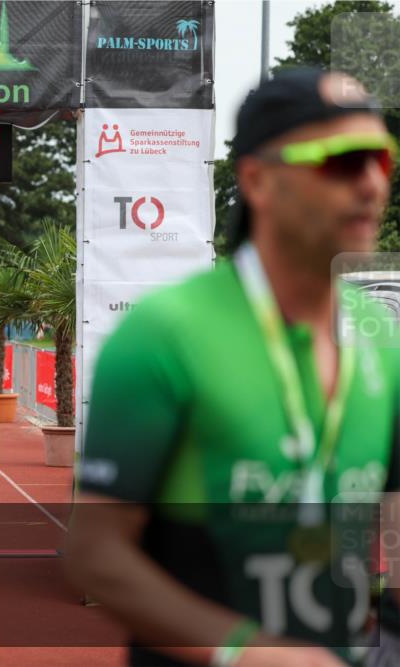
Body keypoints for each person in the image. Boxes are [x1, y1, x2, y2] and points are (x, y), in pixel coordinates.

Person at [64, 68, 398, 667]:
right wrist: (244, 653)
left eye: (382, 160)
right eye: (342, 161)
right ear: (258, 180)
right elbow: (95, 555)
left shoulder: (384, 343)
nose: (371, 184)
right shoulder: (164, 334)